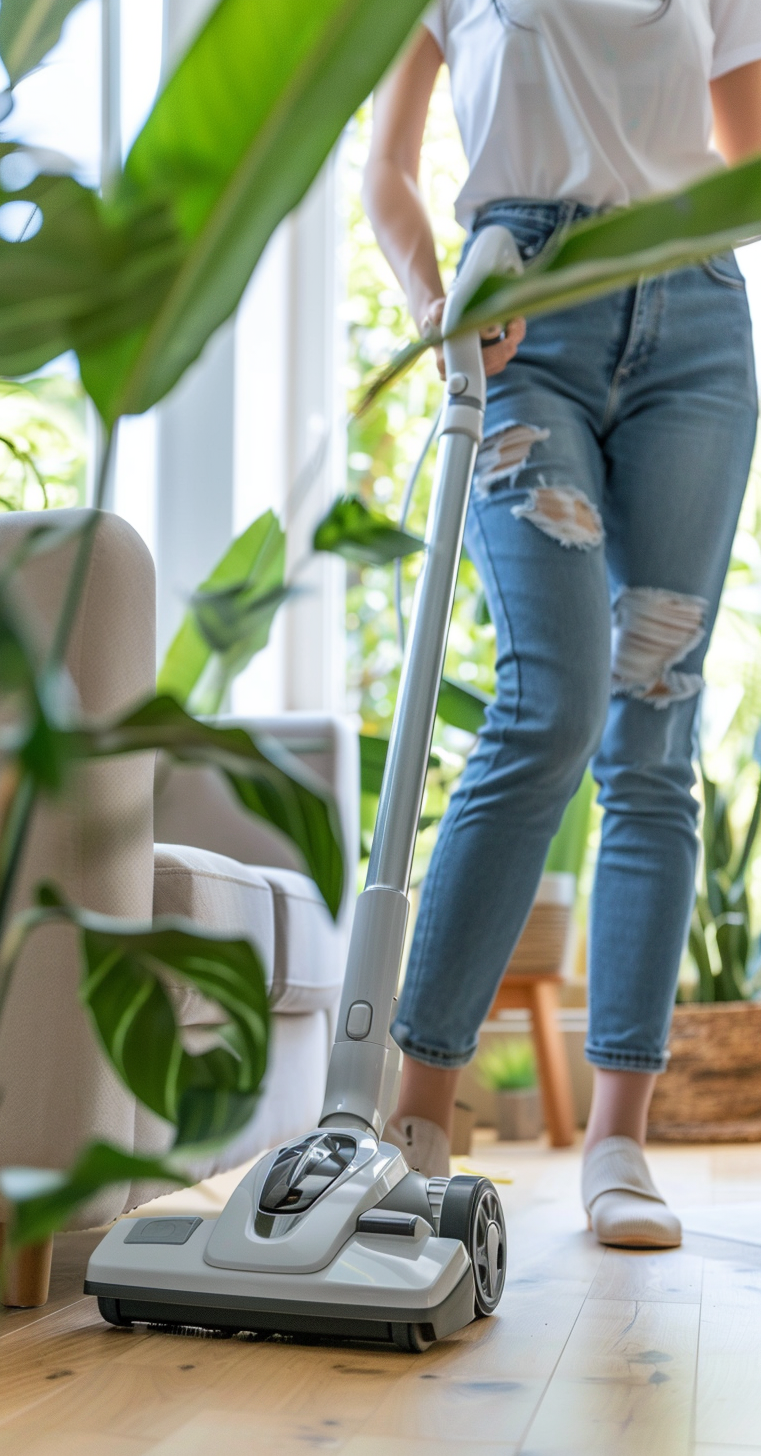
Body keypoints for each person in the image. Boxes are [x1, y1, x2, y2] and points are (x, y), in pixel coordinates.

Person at [366, 0, 761, 1248]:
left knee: (654, 728)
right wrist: (443, 293)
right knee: (552, 700)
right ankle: (411, 1123)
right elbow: (385, 170)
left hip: (695, 325)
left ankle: (620, 1140)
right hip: (521, 308)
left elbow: (746, 160)